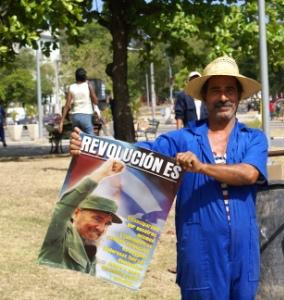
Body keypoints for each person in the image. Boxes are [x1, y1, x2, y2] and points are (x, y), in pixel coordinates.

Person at [69, 56, 268, 299]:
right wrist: (89, 146)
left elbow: (249, 174)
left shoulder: (254, 138)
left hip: (243, 250)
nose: (223, 97)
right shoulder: (181, 139)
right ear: (205, 97)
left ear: (239, 96)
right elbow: (134, 153)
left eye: (229, 90)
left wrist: (201, 167)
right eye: (216, 90)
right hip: (199, 248)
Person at [38, 159, 124, 275]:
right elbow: (64, 206)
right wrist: (102, 173)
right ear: (76, 212)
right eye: (97, 218)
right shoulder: (60, 236)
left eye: (107, 223)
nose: (101, 228)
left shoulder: (91, 251)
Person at [60, 68, 99, 135]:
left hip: (75, 116)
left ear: (76, 77)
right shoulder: (88, 86)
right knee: (91, 139)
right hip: (86, 116)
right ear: (85, 77)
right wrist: (91, 89)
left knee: (77, 139)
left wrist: (61, 122)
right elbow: (96, 102)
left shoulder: (71, 87)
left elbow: (67, 105)